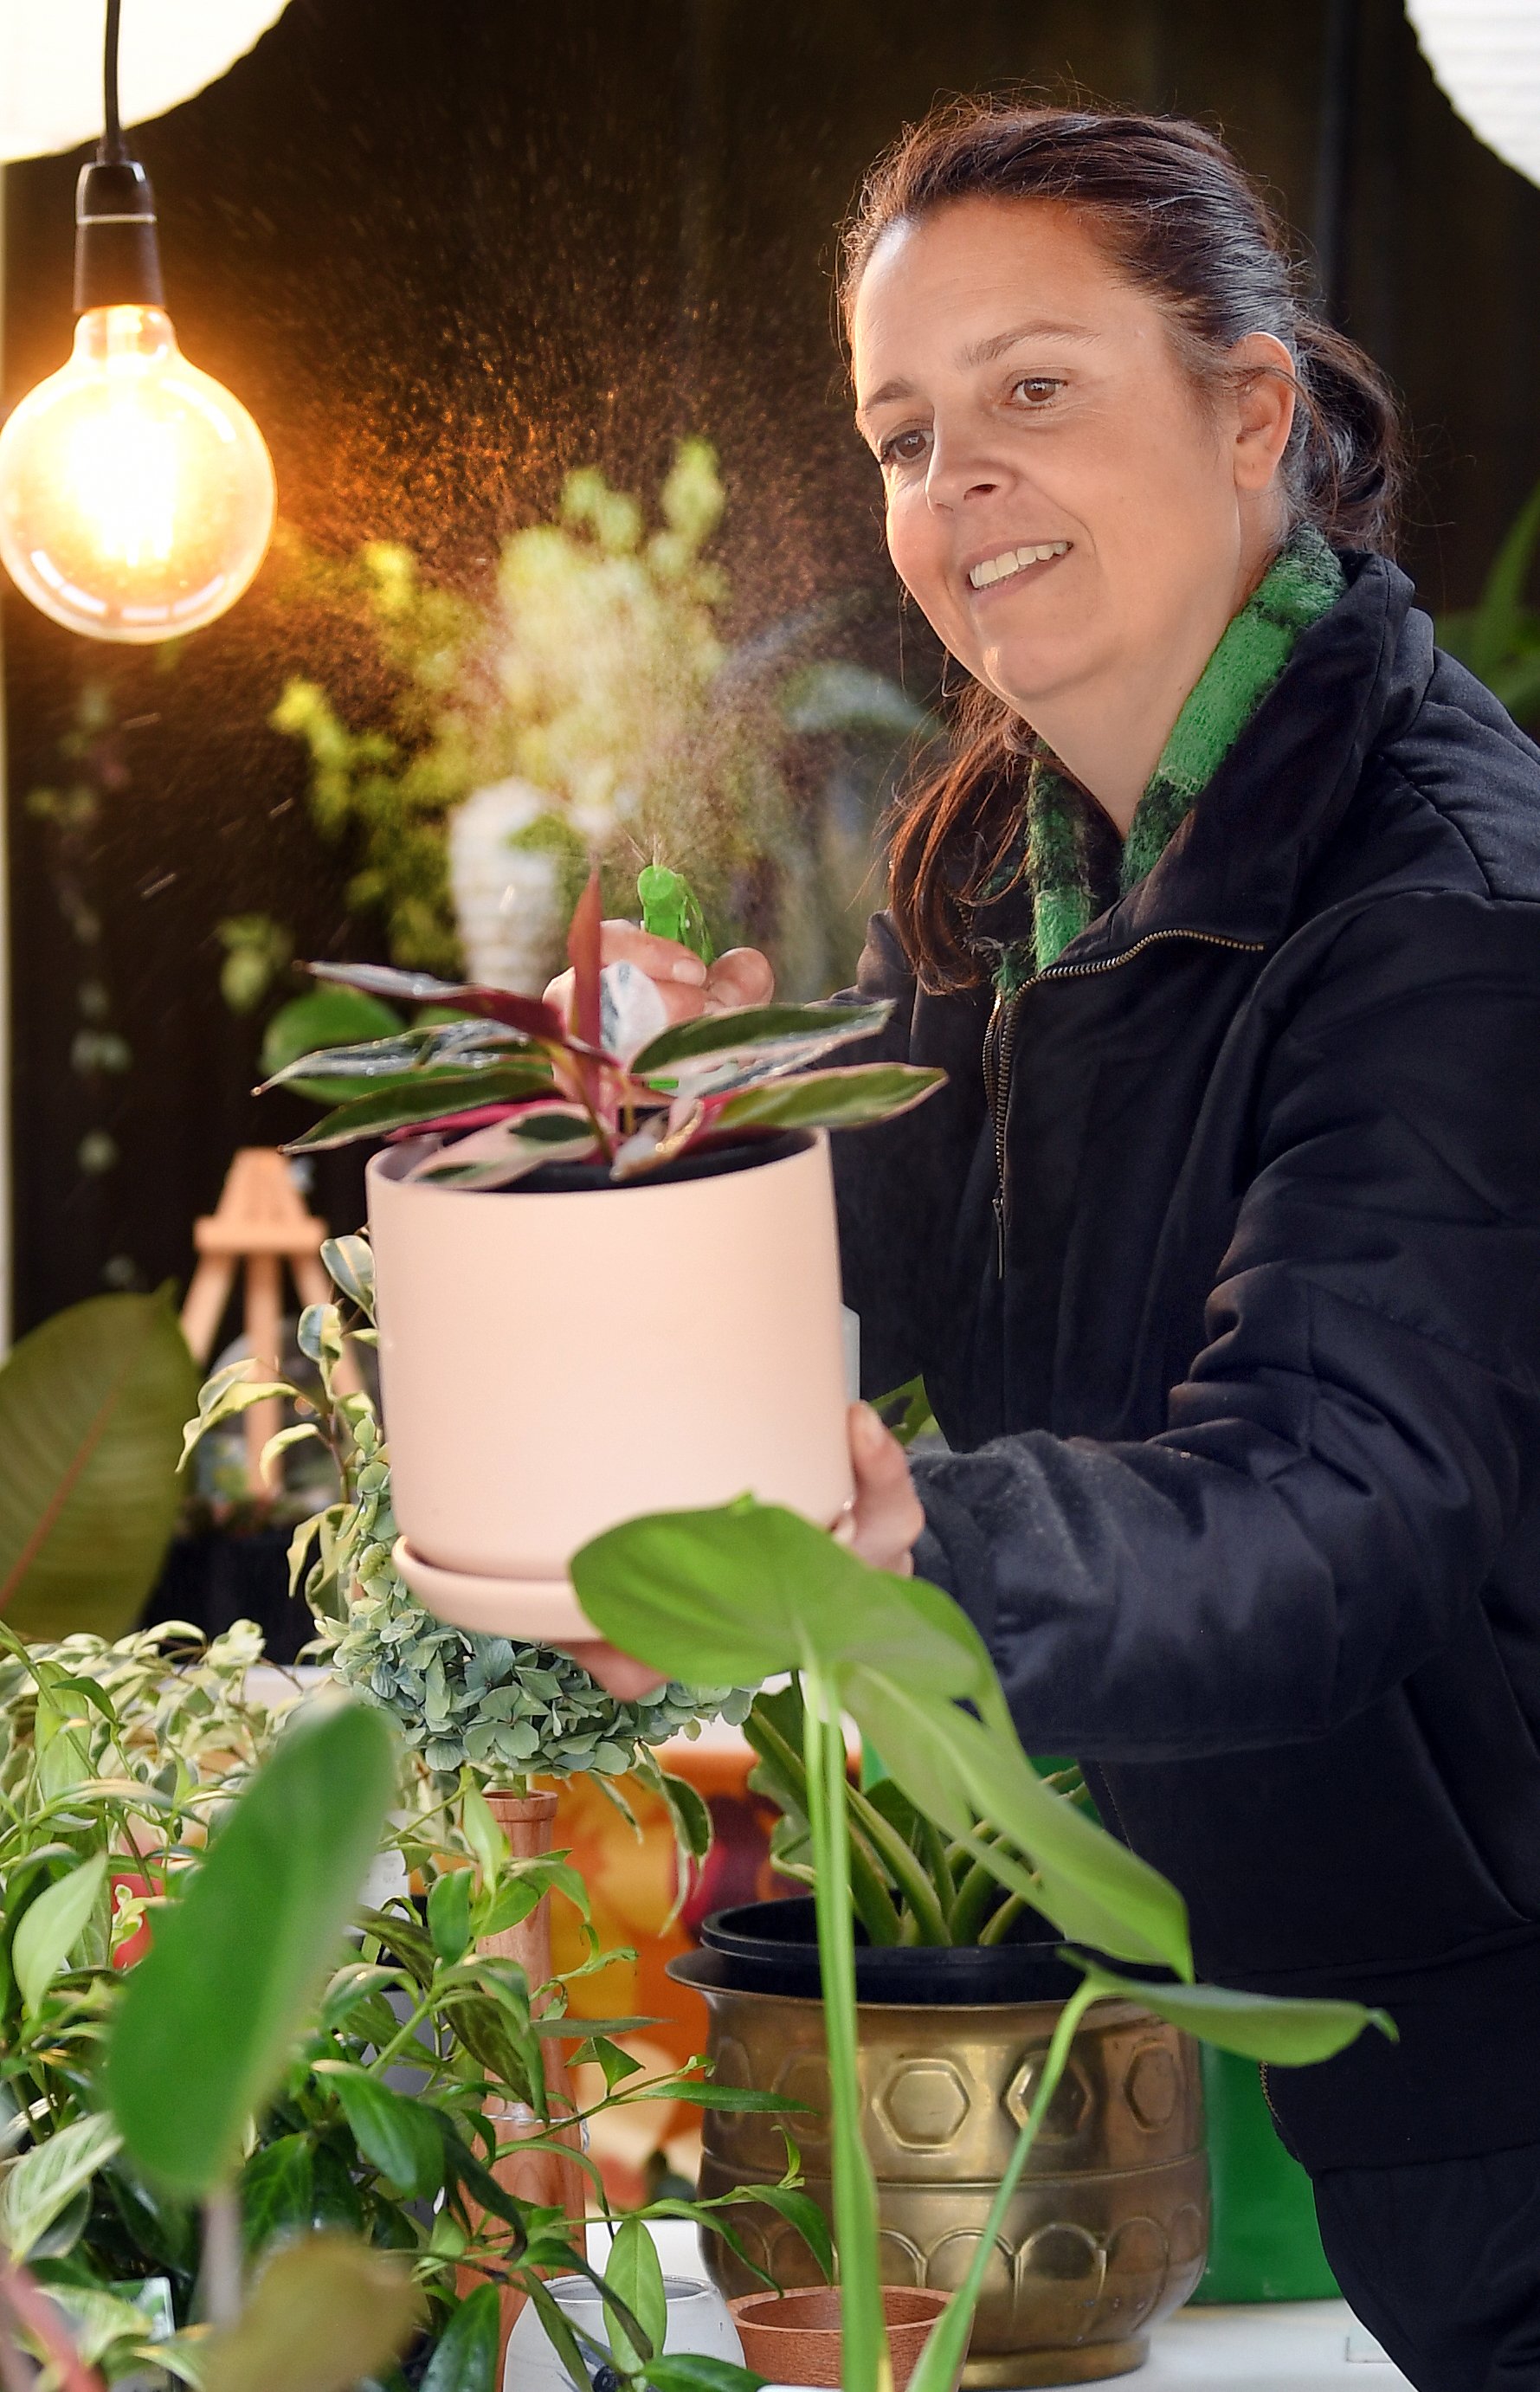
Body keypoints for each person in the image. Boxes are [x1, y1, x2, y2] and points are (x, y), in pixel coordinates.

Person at [554, 101, 1540, 2389]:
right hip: (1405, 2038)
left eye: (1030, 390)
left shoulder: (1448, 905)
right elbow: (879, 1231)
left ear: (1250, 407)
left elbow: (1348, 1493)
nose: (950, 481)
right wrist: (683, 1146)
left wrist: (925, 1538)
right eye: (904, 431)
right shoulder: (1024, 868)